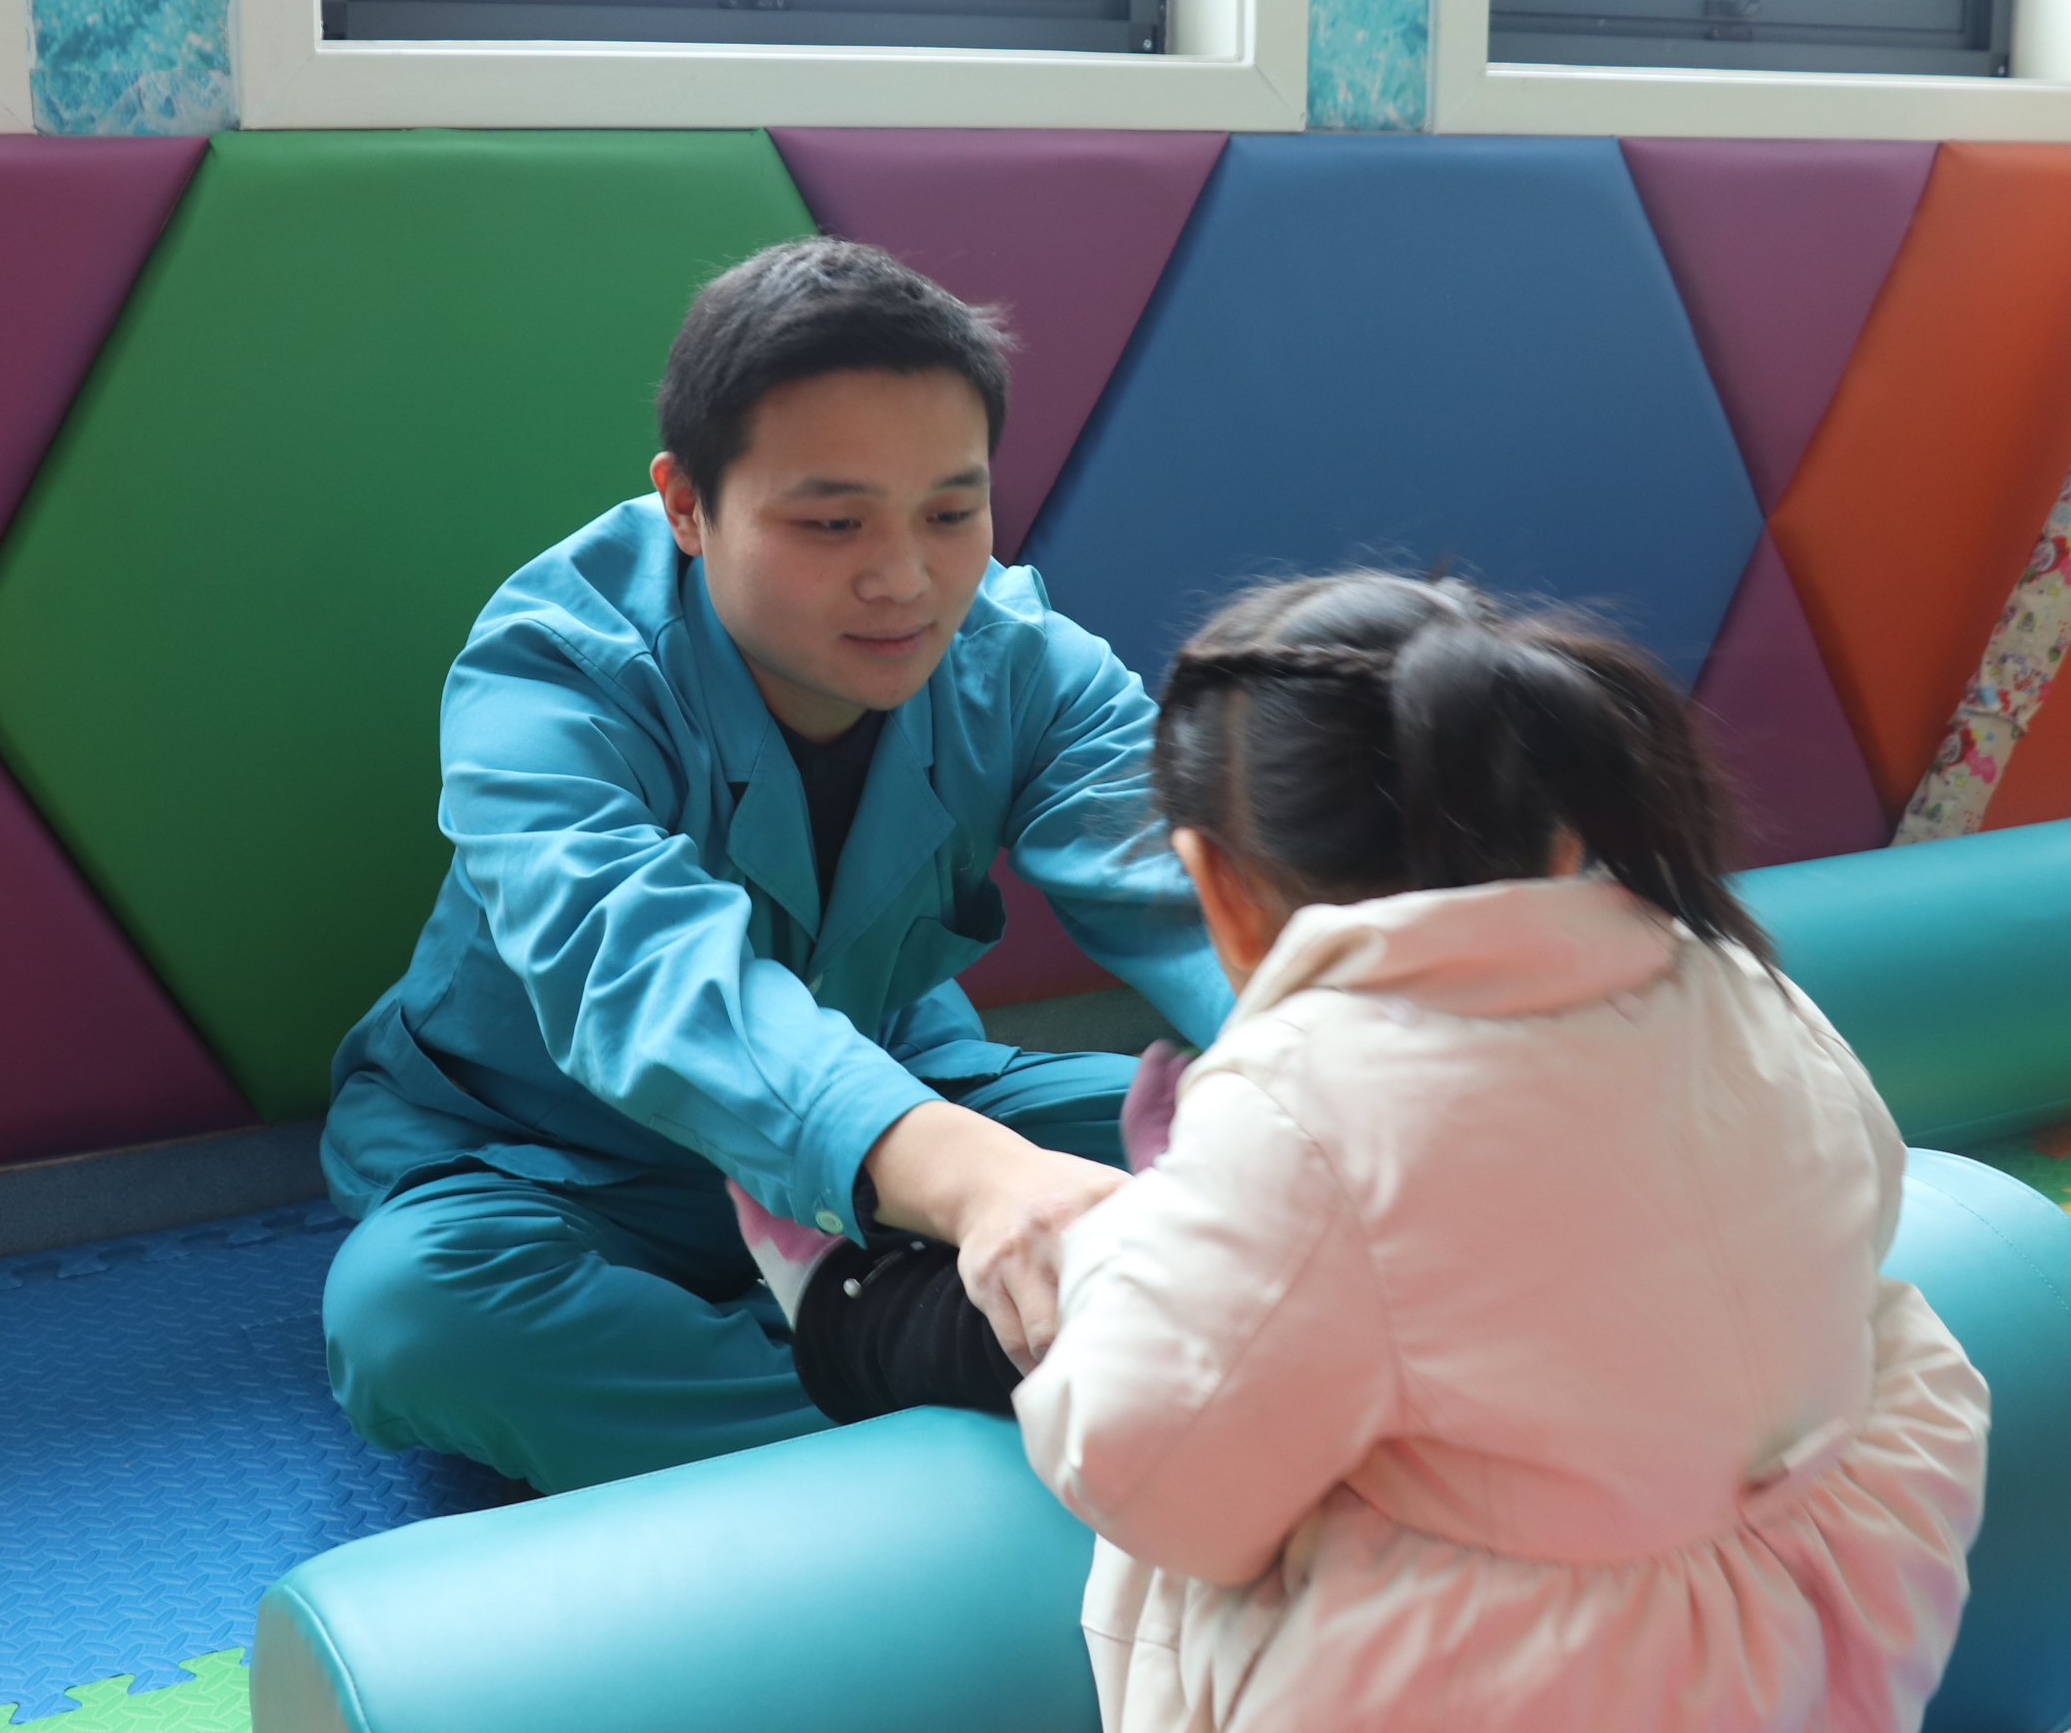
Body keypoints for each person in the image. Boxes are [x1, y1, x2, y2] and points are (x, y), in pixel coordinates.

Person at [749, 572, 1992, 1730]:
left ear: (1215, 887)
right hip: (1848, 1603)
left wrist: (1139, 1241)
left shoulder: (1308, 1106)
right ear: (1560, 837)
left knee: (1081, 1313)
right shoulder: (1735, 974)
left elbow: (1152, 1483)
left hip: (1538, 1680)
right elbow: (1860, 1205)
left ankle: (840, 1298)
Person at [316, 237, 1231, 1495]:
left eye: (951, 514)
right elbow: (647, 982)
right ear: (687, 505)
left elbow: (1211, 900)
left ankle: (953, 1371)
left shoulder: (1021, 662)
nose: (905, 579)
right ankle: (964, 1373)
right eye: (832, 522)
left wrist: (1376, 1068)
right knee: (415, 1323)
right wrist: (975, 1183)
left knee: (1275, 1137)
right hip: (562, 1162)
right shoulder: (548, 670)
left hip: (906, 1092)